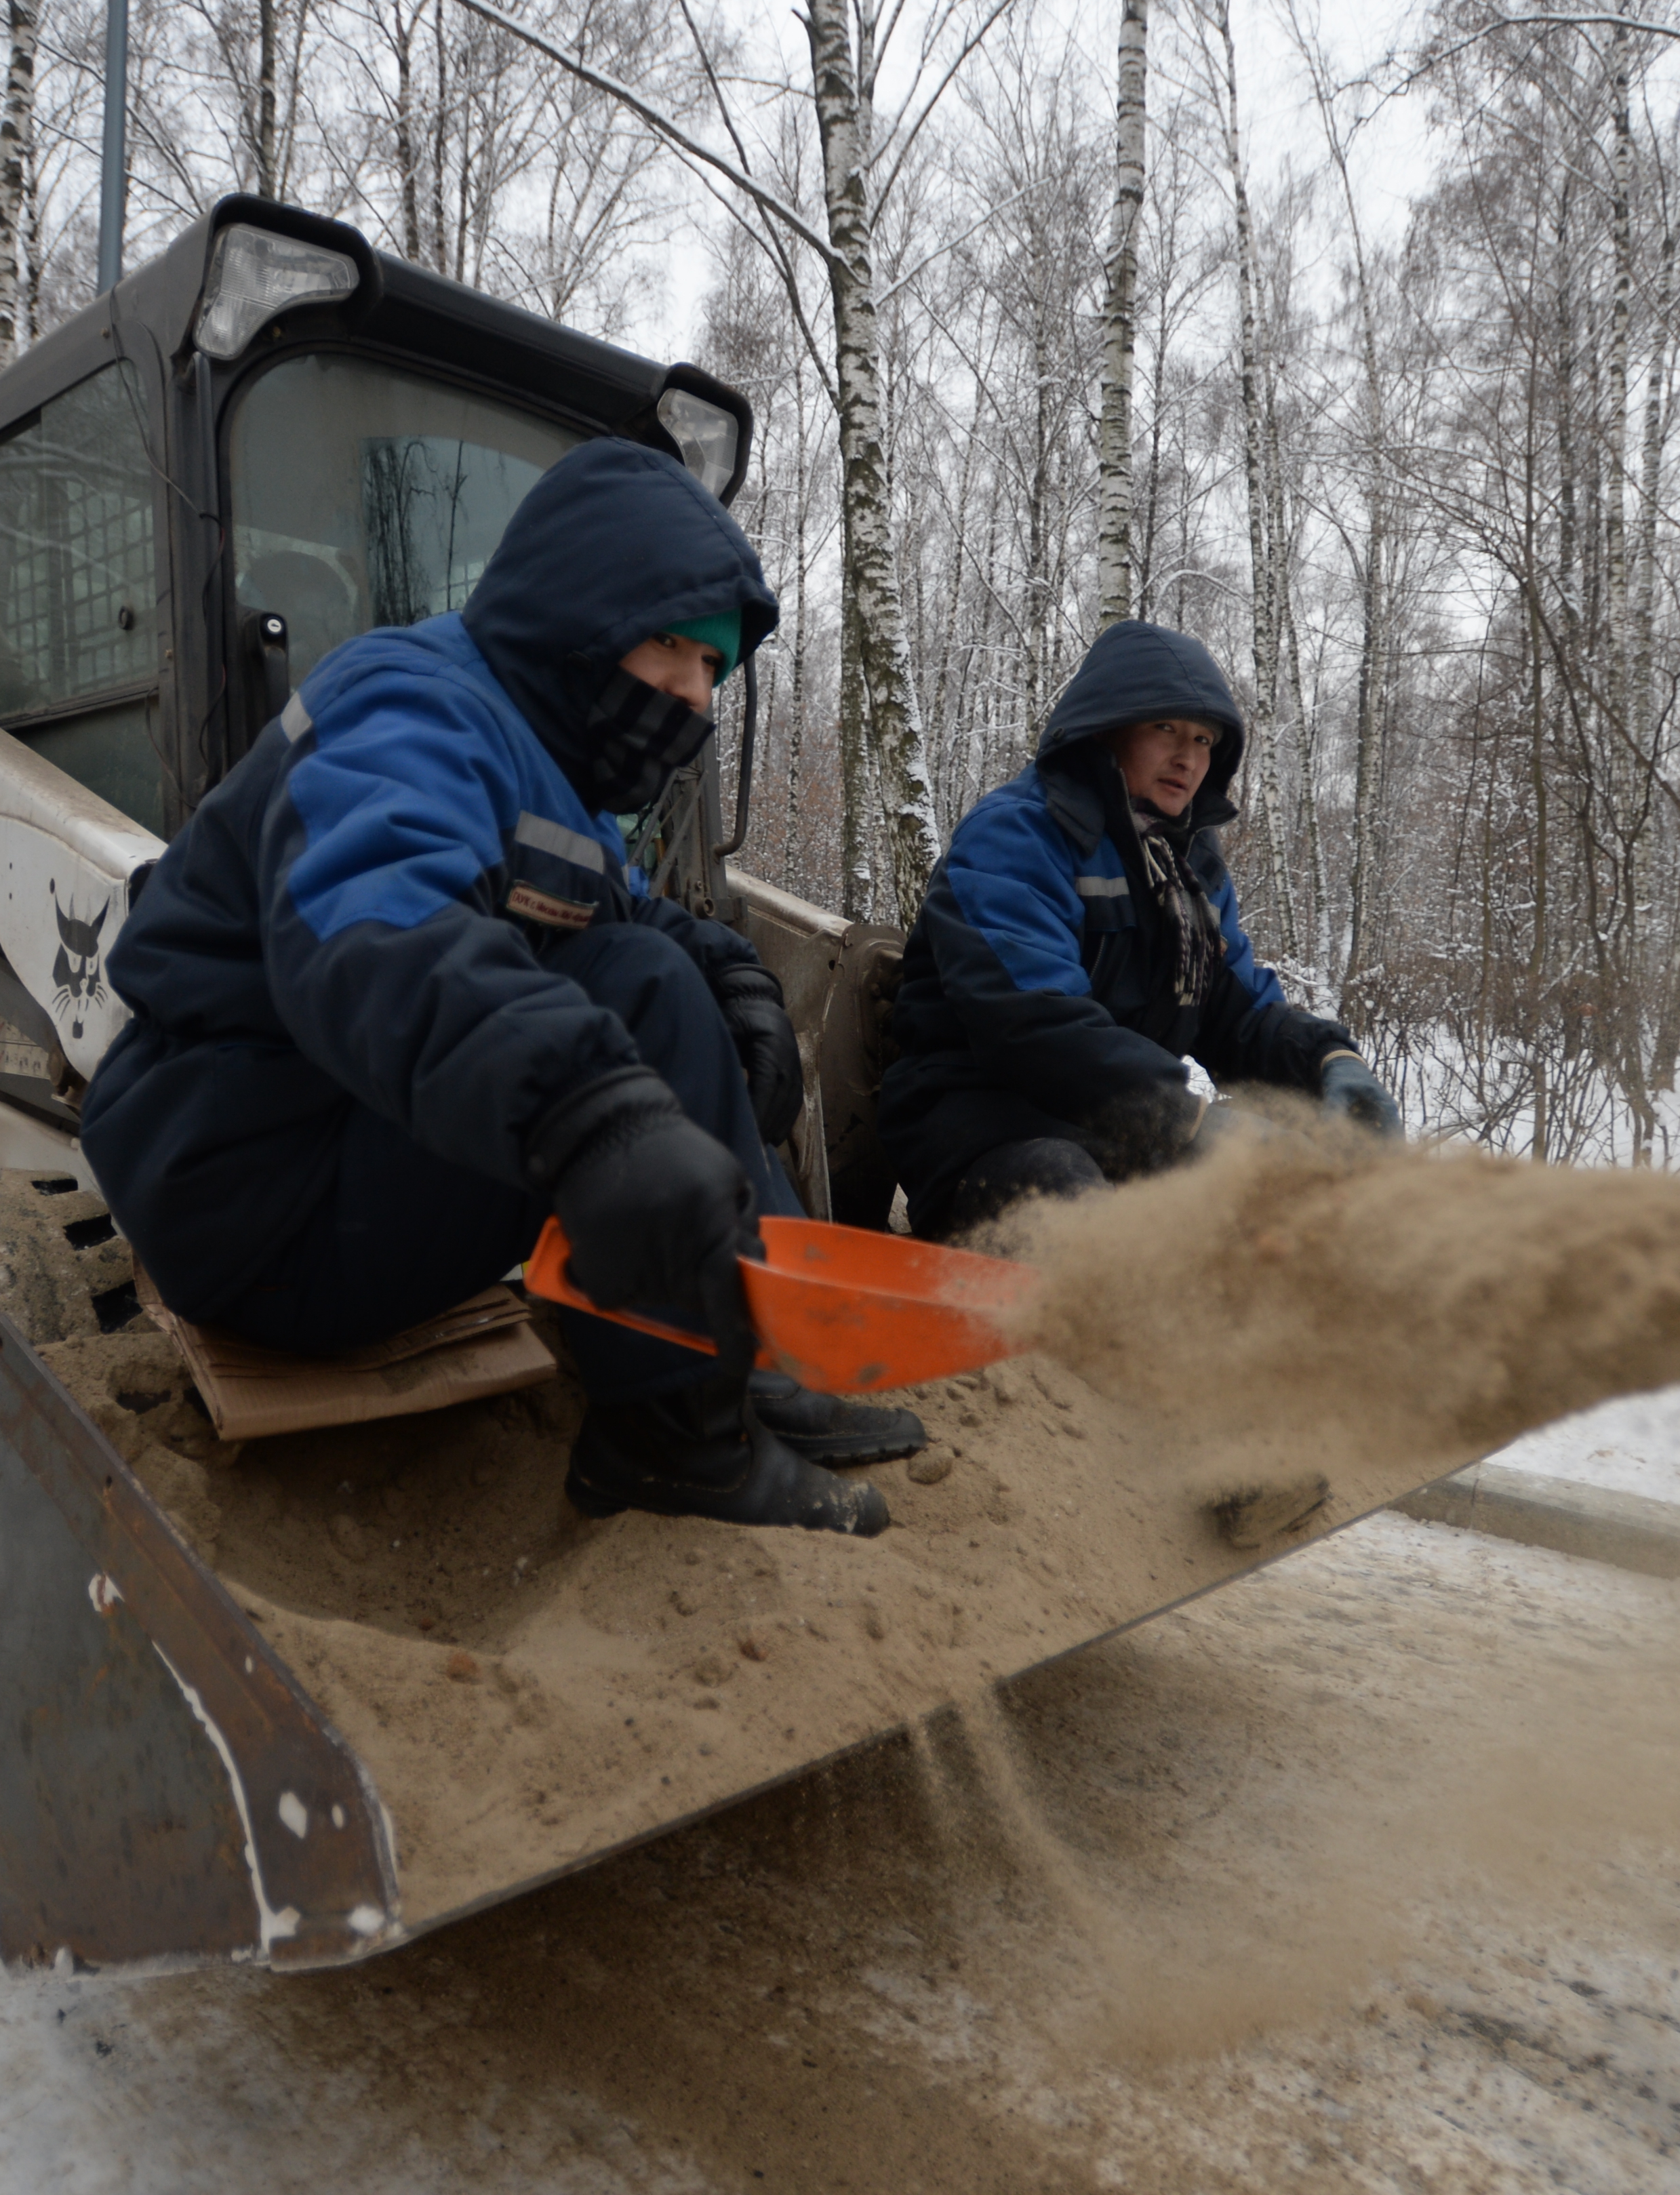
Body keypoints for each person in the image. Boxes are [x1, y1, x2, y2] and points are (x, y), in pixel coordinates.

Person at [85, 436, 919, 1538]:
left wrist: (740, 987)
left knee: (660, 974)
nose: (689, 695)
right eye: (671, 645)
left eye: (712, 670)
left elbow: (621, 913)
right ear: (579, 613)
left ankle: (741, 1360)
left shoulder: (540, 770)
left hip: (320, 1150)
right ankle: (673, 1436)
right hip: (248, 1186)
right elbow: (375, 925)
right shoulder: (414, 709)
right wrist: (589, 1113)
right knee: (633, 997)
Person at [879, 620, 1401, 1238]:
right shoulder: (1017, 835)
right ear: (1107, 728)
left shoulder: (1189, 872)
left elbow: (1237, 1014)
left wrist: (1328, 1059)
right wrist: (1184, 1120)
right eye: (1165, 729)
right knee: (1076, 1206)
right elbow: (1032, 1024)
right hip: (982, 1130)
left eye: (1205, 739)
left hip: (1120, 1132)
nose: (1188, 757)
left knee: (1289, 1206)